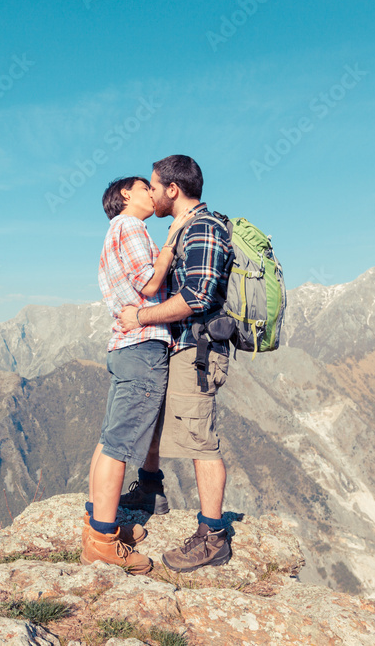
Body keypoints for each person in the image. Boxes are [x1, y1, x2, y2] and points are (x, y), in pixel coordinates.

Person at [118, 154, 235, 571]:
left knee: (200, 439)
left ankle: (213, 536)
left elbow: (197, 298)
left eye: (153, 186)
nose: (148, 193)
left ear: (173, 189)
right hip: (181, 346)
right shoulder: (182, 229)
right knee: (159, 417)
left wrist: (141, 317)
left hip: (198, 351)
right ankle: (151, 489)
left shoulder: (202, 228)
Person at [83, 175, 188, 574]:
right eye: (147, 187)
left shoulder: (116, 232)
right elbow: (148, 284)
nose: (153, 193)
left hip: (125, 346)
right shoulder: (130, 227)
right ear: (127, 194)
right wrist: (172, 241)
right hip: (144, 345)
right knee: (121, 446)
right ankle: (103, 541)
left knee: (110, 438)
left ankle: (96, 524)